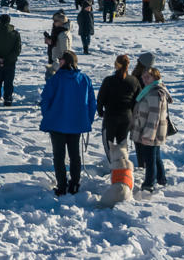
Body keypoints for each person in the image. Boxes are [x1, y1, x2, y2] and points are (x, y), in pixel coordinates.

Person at [40, 51, 96, 195]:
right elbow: (91, 103)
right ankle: (75, 184)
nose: (58, 62)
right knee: (74, 155)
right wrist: (87, 120)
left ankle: (62, 186)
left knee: (59, 156)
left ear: (65, 62)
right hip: (76, 124)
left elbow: (45, 100)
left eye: (60, 60)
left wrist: (48, 116)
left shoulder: (55, 79)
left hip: (57, 123)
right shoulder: (84, 79)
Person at [130, 67, 172, 192]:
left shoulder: (154, 93)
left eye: (147, 77)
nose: (144, 80)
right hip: (153, 130)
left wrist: (148, 135)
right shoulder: (150, 90)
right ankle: (161, 178)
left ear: (155, 77)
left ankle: (149, 183)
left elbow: (154, 117)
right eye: (143, 77)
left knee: (150, 158)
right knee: (155, 156)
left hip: (151, 131)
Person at [96, 55, 139, 162]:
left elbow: (100, 99)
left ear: (116, 65)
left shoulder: (109, 80)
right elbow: (138, 99)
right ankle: (123, 166)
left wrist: (101, 112)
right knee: (122, 144)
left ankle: (113, 167)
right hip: (127, 117)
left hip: (110, 116)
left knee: (108, 144)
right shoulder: (134, 81)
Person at [44, 10, 72, 79]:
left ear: (61, 22)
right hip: (54, 60)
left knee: (51, 81)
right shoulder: (58, 31)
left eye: (56, 21)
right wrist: (50, 40)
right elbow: (56, 43)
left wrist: (59, 64)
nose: (54, 23)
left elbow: (65, 52)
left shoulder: (63, 34)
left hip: (58, 63)